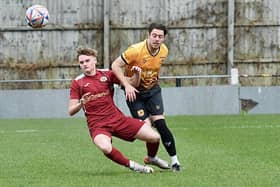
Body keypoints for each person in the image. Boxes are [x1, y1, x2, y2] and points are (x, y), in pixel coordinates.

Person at [68, 47, 170, 174]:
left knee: (154, 137)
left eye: (87, 61)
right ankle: (133, 166)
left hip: (117, 119)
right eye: (81, 63)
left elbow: (132, 83)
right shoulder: (77, 83)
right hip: (97, 125)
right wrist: (80, 104)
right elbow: (71, 111)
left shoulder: (107, 74)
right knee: (105, 147)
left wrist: (137, 74)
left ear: (95, 60)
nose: (84, 64)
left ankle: (151, 157)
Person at [111, 23, 181, 171]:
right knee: (147, 130)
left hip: (153, 91)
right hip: (135, 93)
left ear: (164, 38)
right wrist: (127, 85)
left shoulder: (164, 51)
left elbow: (154, 69)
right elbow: (115, 66)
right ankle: (152, 157)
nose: (157, 39)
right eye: (154, 35)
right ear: (148, 35)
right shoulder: (135, 51)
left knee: (161, 125)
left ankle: (175, 162)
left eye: (160, 36)